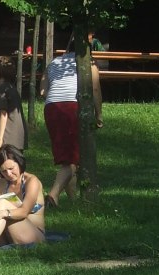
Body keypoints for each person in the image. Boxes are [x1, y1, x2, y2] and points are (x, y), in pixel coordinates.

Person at [40, 41, 103, 207]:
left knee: (67, 157)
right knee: (74, 158)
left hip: (52, 108)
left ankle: (73, 201)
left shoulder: (54, 62)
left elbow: (43, 91)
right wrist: (99, 114)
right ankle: (53, 196)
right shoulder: (89, 64)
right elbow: (95, 89)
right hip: (72, 106)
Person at [0, 55, 28, 186]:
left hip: (8, 136)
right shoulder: (11, 88)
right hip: (18, 137)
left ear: (0, 73)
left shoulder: (2, 89)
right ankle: (18, 193)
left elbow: (3, 114)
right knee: (15, 168)